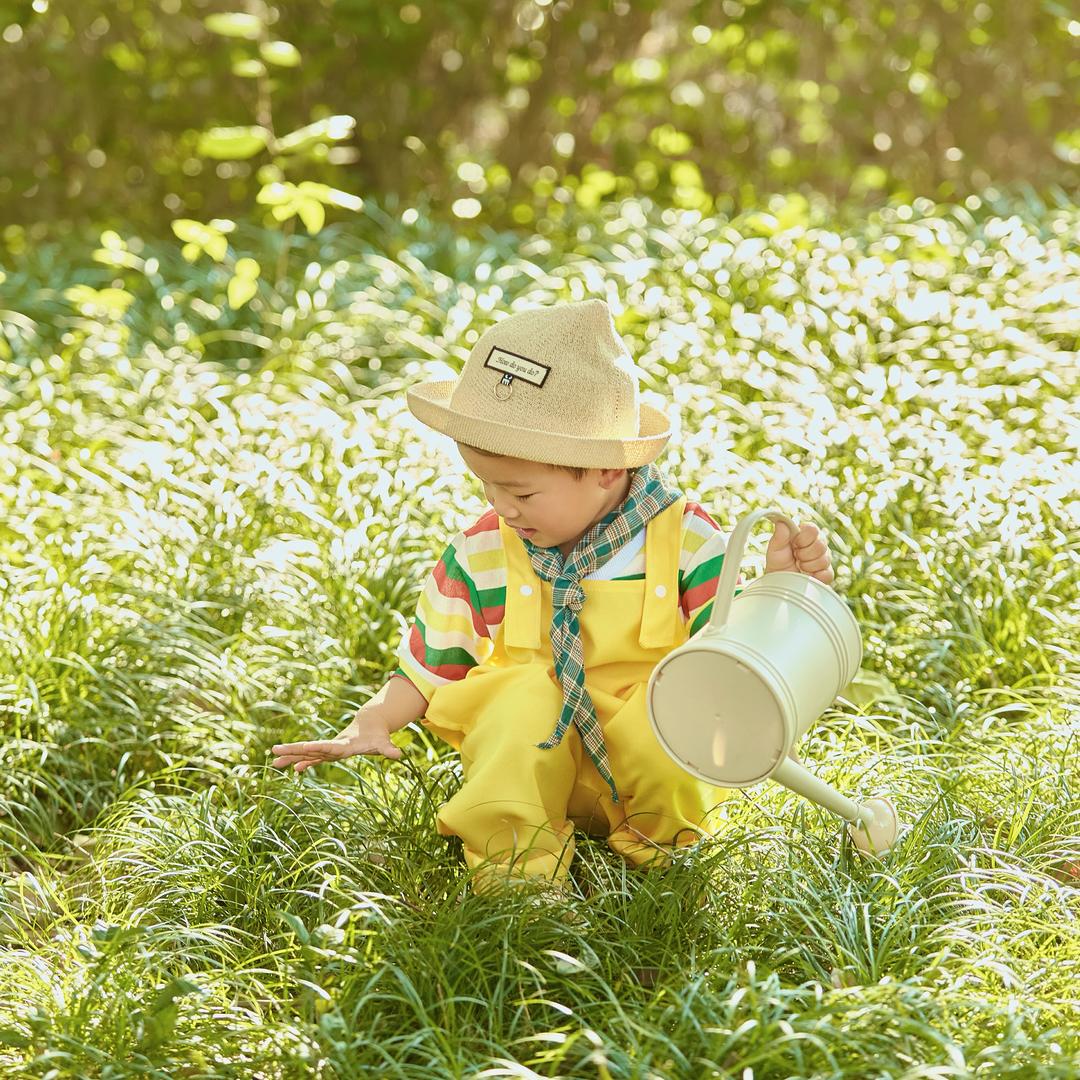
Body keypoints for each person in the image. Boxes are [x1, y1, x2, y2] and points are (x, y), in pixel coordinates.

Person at [270, 299, 833, 893]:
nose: (502, 507)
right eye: (486, 486)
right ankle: (518, 876)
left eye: (521, 493)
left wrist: (780, 591)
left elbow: (738, 657)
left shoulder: (683, 540)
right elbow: (430, 665)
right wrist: (373, 719)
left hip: (652, 774)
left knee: (673, 704)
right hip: (534, 768)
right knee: (516, 701)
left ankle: (666, 862)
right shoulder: (486, 551)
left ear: (606, 471)